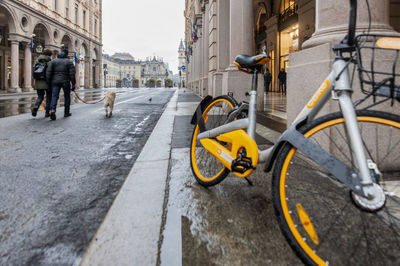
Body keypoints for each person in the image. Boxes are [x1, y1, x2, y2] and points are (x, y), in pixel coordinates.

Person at [46, 48, 76, 120]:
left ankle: (52, 110)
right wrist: (73, 84)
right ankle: (66, 112)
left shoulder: (53, 61)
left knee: (54, 96)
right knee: (67, 96)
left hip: (54, 81)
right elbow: (72, 74)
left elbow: (48, 73)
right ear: (66, 55)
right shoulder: (69, 62)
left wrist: (48, 82)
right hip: (65, 81)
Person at [32, 49, 53, 117]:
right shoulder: (50, 62)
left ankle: (36, 106)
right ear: (49, 55)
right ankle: (47, 112)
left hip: (38, 82)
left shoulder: (37, 61)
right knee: (49, 97)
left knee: (40, 97)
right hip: (47, 82)